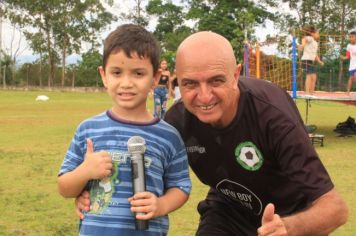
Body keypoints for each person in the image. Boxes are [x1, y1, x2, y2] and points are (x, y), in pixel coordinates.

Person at [76, 31, 348, 235]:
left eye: (216, 81)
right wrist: (89, 191)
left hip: (288, 216)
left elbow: (335, 209)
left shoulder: (272, 117)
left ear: (235, 75)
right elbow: (141, 171)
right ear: (176, 81)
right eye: (190, 84)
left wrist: (286, 227)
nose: (203, 97)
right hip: (227, 211)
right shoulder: (177, 121)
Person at [58, 24, 191, 236]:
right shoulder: (88, 129)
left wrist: (161, 205)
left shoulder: (169, 136)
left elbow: (181, 186)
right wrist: (85, 171)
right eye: (117, 73)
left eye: (138, 73)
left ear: (155, 78)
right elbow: (64, 187)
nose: (126, 83)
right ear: (104, 75)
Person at [298, 25, 324, 95]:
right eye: (317, 33)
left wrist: (319, 61)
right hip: (306, 60)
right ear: (312, 33)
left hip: (311, 61)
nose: (318, 35)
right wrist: (303, 45)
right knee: (309, 76)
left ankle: (311, 93)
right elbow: (304, 39)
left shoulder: (315, 43)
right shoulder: (310, 38)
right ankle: (307, 93)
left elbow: (315, 54)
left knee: (314, 77)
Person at [340, 31, 356, 95]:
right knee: (351, 78)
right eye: (350, 37)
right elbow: (348, 56)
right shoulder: (349, 46)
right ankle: (348, 92)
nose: (351, 38)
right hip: (352, 65)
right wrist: (343, 57)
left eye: (352, 37)